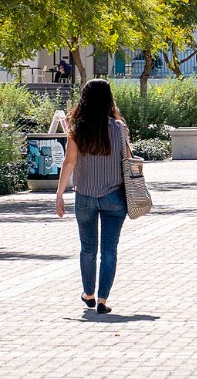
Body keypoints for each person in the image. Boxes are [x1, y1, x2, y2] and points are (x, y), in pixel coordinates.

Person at [53, 78, 132, 313]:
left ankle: (88, 293)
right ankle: (102, 300)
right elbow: (128, 158)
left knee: (87, 248)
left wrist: (59, 194)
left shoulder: (77, 129)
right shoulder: (118, 127)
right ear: (109, 99)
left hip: (85, 196)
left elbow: (69, 163)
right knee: (109, 249)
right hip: (114, 196)